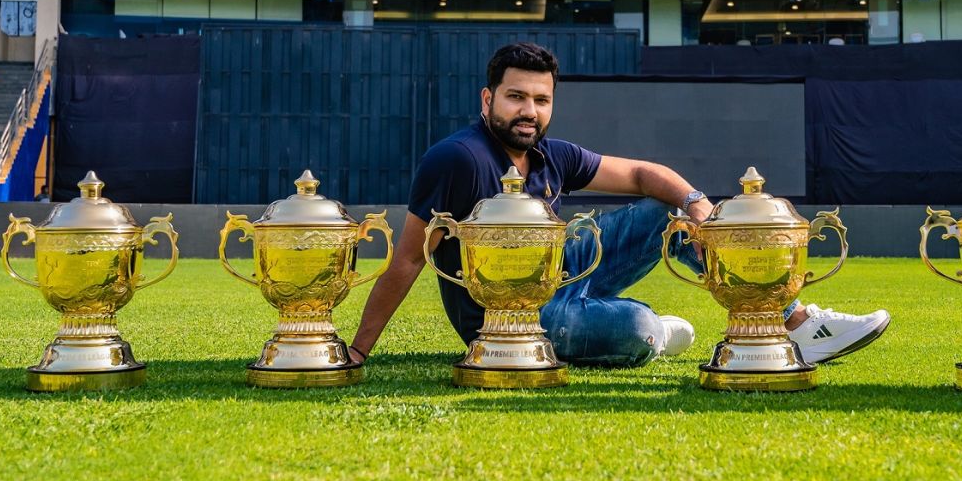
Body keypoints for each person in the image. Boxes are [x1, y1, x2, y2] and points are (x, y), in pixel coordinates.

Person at [348, 43, 889, 368]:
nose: (529, 110)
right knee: (637, 333)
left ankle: (793, 324)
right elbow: (410, 260)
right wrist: (359, 351)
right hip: (510, 319)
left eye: (541, 99)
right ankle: (653, 331)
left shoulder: (550, 153)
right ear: (488, 100)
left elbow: (639, 173)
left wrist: (699, 206)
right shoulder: (458, 159)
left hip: (563, 272)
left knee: (668, 209)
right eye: (515, 97)